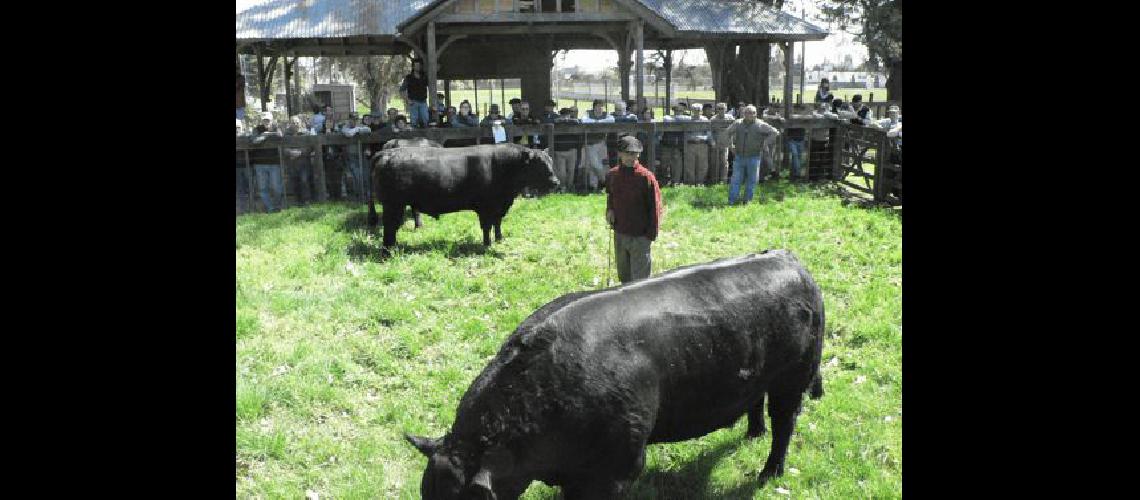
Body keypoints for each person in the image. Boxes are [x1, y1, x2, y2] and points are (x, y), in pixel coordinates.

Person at [605, 135, 663, 284]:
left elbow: (655, 206)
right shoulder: (613, 175)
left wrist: (651, 234)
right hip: (620, 232)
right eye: (629, 154)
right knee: (624, 277)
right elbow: (611, 195)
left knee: (640, 282)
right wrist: (610, 210)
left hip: (640, 235)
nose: (632, 157)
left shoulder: (646, 177)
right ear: (620, 154)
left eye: (635, 154)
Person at [722, 105, 780, 205]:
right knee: (736, 180)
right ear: (744, 114)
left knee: (752, 181)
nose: (751, 115)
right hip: (739, 157)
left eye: (753, 113)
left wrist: (765, 143)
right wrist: (731, 146)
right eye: (748, 112)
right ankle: (731, 201)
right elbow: (727, 132)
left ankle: (747, 201)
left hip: (754, 157)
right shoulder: (738, 123)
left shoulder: (760, 124)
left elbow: (775, 132)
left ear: (756, 114)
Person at [251, 111, 285, 212]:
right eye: (264, 120)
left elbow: (281, 136)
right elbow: (254, 141)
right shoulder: (257, 129)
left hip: (274, 162)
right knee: (263, 189)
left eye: (268, 120)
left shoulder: (276, 128)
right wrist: (264, 135)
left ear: (272, 120)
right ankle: (270, 208)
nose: (266, 121)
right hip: (260, 163)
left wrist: (270, 133)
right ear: (262, 120)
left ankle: (277, 207)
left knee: (277, 188)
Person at [661, 103, 691, 185]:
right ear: (673, 111)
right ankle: (664, 182)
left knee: (677, 166)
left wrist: (681, 118)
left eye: (681, 111)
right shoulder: (668, 117)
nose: (678, 112)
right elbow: (666, 120)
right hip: (667, 145)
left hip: (678, 146)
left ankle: (676, 183)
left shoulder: (686, 118)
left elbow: (689, 119)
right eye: (677, 110)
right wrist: (680, 118)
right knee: (664, 165)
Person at [399, 59, 430, 128]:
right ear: (413, 67)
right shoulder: (409, 78)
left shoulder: (424, 77)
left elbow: (431, 87)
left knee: (425, 119)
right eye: (416, 65)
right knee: (414, 122)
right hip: (413, 102)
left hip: (423, 102)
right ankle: (414, 137)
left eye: (419, 65)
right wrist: (407, 100)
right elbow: (401, 90)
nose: (418, 67)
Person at [709, 102, 735, 185]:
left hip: (726, 145)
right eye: (719, 108)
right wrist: (712, 141)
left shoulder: (730, 118)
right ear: (716, 109)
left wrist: (732, 143)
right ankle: (714, 181)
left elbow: (734, 130)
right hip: (716, 144)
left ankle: (723, 182)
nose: (721, 110)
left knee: (724, 163)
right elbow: (709, 132)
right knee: (715, 163)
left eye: (722, 108)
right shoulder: (713, 119)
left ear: (726, 109)